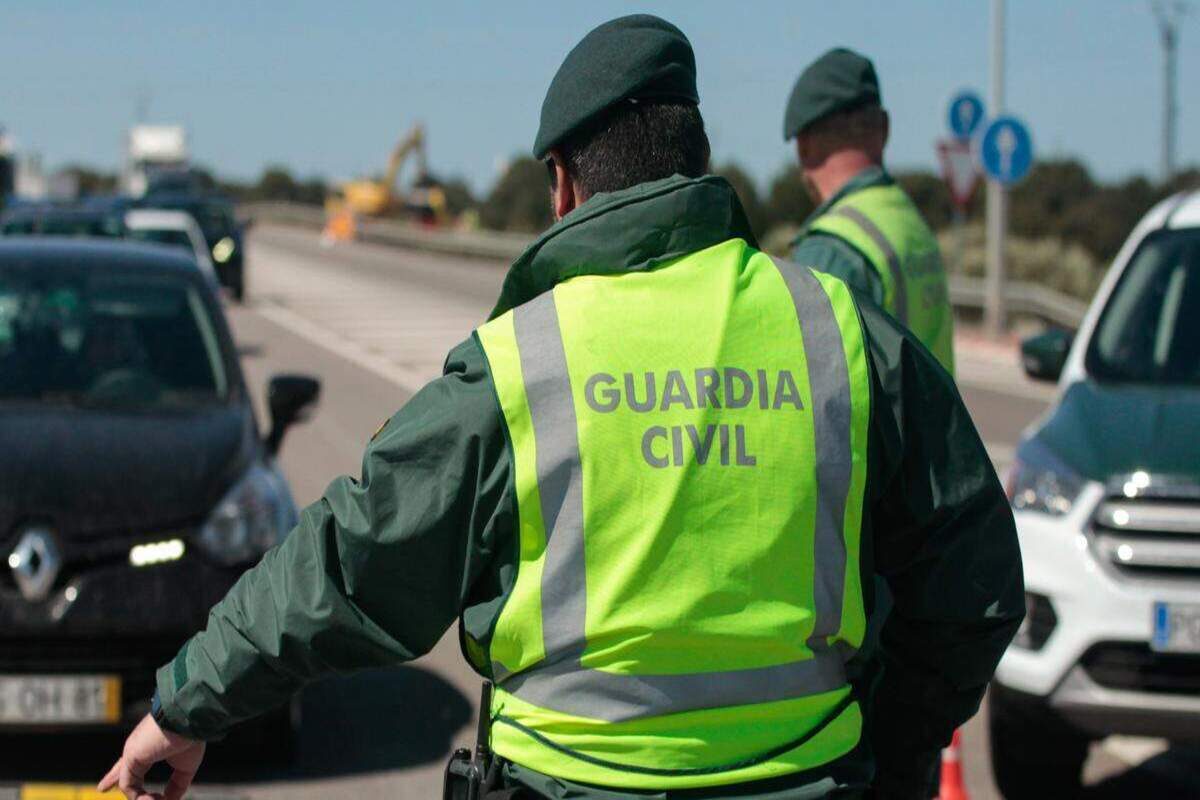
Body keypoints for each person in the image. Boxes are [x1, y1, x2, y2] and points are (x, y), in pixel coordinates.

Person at [100, 16, 1022, 800]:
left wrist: (185, 708)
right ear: (694, 159)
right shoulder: (838, 332)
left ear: (563, 183)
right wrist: (886, 755)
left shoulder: (522, 364)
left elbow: (350, 563)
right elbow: (975, 584)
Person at [785, 48, 956, 375]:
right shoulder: (908, 220)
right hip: (929, 425)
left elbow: (809, 397)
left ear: (803, 146)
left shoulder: (832, 248)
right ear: (885, 129)